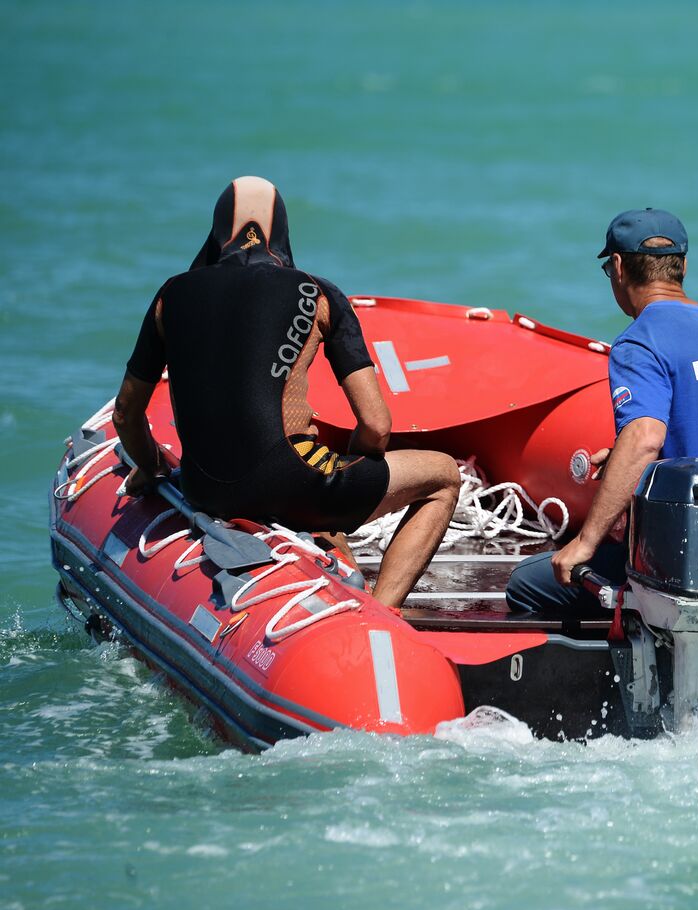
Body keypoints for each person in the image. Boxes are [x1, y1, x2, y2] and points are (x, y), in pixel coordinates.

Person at [112, 176, 460, 608]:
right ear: (283, 232)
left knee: (310, 477)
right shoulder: (319, 293)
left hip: (205, 490)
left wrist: (148, 468)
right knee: (443, 476)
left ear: (218, 231)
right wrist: (349, 468)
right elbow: (377, 425)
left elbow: (126, 413)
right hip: (294, 483)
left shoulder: (172, 294)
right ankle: (384, 611)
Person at [506, 208, 698, 616]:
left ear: (618, 267)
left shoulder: (640, 341)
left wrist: (585, 543)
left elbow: (645, 437)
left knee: (528, 583)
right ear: (682, 266)